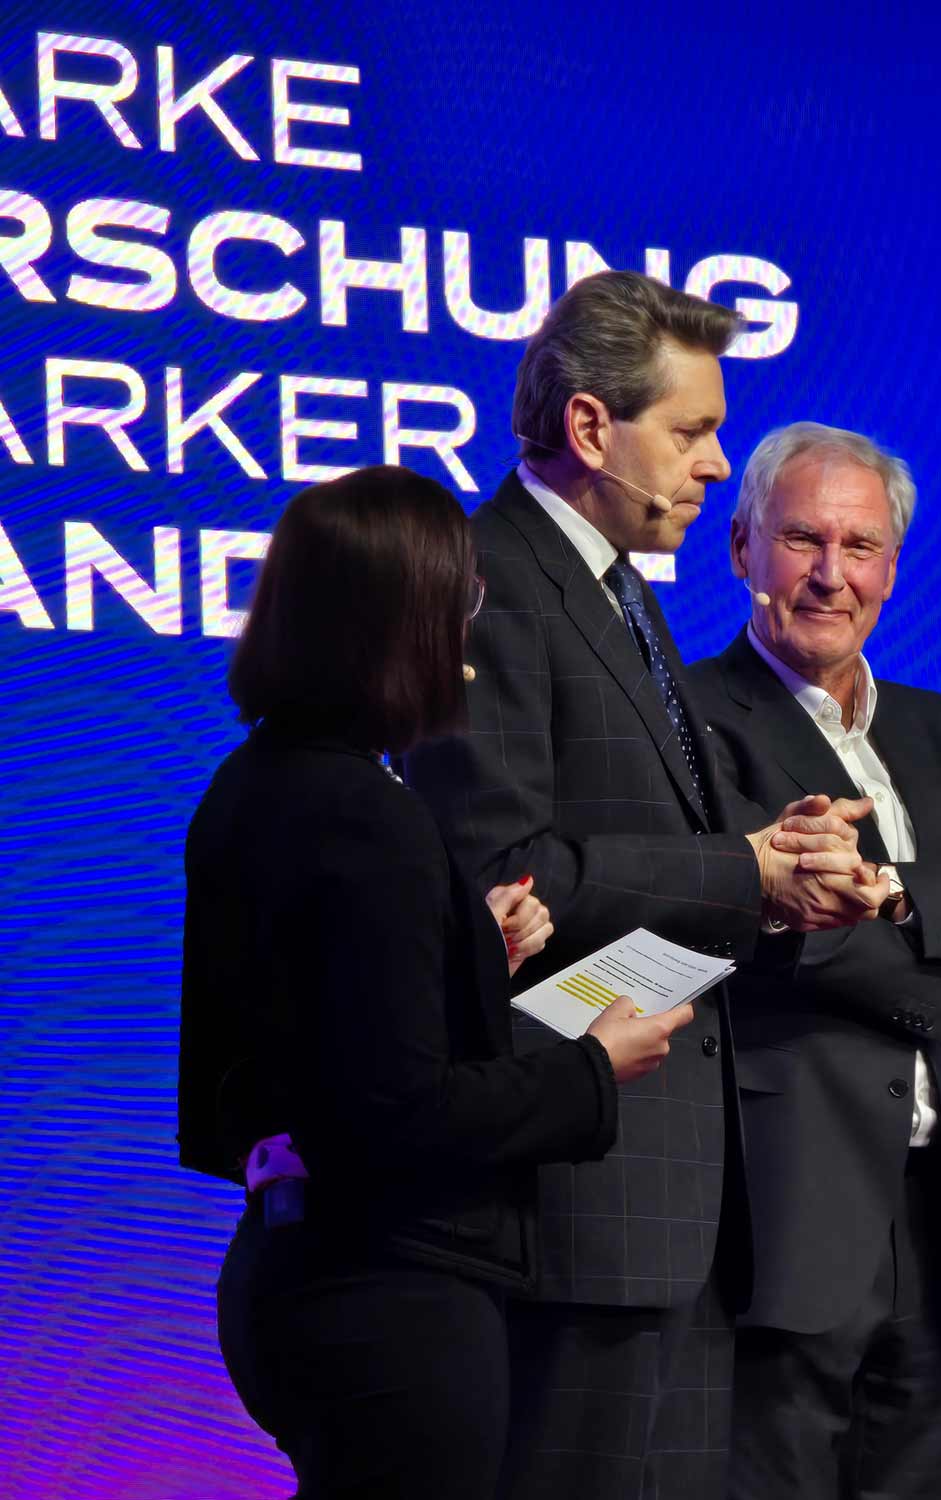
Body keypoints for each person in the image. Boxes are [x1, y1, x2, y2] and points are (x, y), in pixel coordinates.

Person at [398, 275, 886, 1499]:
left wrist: (777, 860)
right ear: (587, 428)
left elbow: (638, 834)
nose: (718, 464)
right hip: (575, 1200)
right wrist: (739, 869)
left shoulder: (618, 591)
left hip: (669, 1205)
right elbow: (503, 876)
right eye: (691, 430)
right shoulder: (490, 580)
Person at [179, 465, 693, 1498]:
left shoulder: (251, 785)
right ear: (398, 622)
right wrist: (594, 1069)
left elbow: (310, 1040)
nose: (468, 641)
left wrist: (466, 959)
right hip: (392, 1295)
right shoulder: (371, 815)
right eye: (457, 606)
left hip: (291, 1271)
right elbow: (398, 1110)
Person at [688, 422, 941, 1500]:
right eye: (801, 540)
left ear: (894, 566)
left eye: (860, 546)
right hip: (777, 1210)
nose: (831, 575)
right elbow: (731, 937)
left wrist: (893, 895)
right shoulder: (683, 721)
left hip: (936, 1213)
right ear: (740, 549)